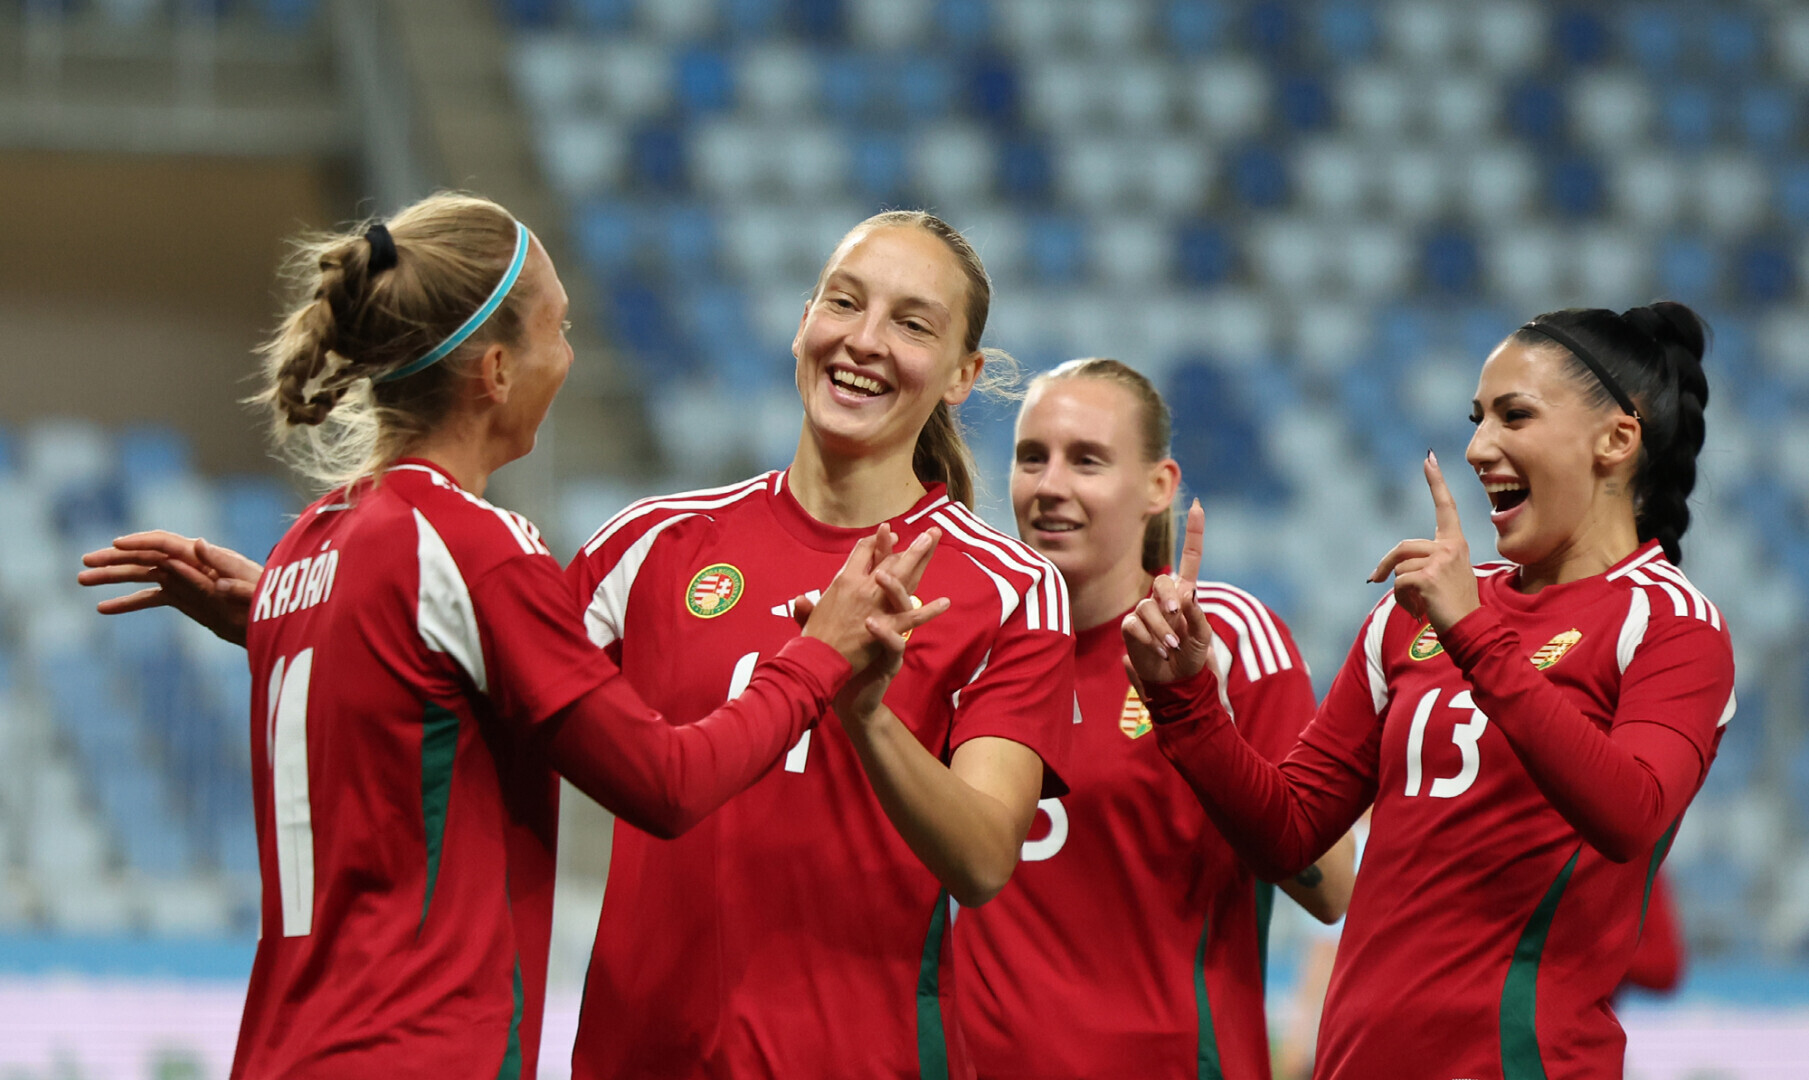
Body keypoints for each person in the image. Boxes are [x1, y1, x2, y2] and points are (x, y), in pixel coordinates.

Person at [76, 193, 947, 1080]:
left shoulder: (314, 542)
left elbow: (405, 687)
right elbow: (666, 783)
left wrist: (277, 612)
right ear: (495, 370)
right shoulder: (473, 545)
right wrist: (817, 657)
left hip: (284, 1050)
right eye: (557, 329)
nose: (568, 357)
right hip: (420, 1053)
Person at [1123, 303, 1733, 1079]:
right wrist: (1186, 703)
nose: (1478, 448)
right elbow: (1292, 831)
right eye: (1477, 420)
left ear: (1615, 439)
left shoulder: (1669, 622)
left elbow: (1630, 814)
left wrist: (1474, 634)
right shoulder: (1411, 616)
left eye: (1514, 415)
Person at [562, 210, 1075, 1079]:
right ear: (803, 322)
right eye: (843, 302)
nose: (864, 340)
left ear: (962, 375)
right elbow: (492, 719)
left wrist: (866, 715)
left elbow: (986, 859)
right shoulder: (649, 546)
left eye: (912, 324)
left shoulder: (1010, 590)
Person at [952, 358, 1355, 1080]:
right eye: (1031, 457)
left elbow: (1331, 886)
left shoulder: (1227, 638)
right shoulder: (965, 647)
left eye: (1087, 461)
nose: (1049, 486)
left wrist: (1200, 722)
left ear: (1158, 486)